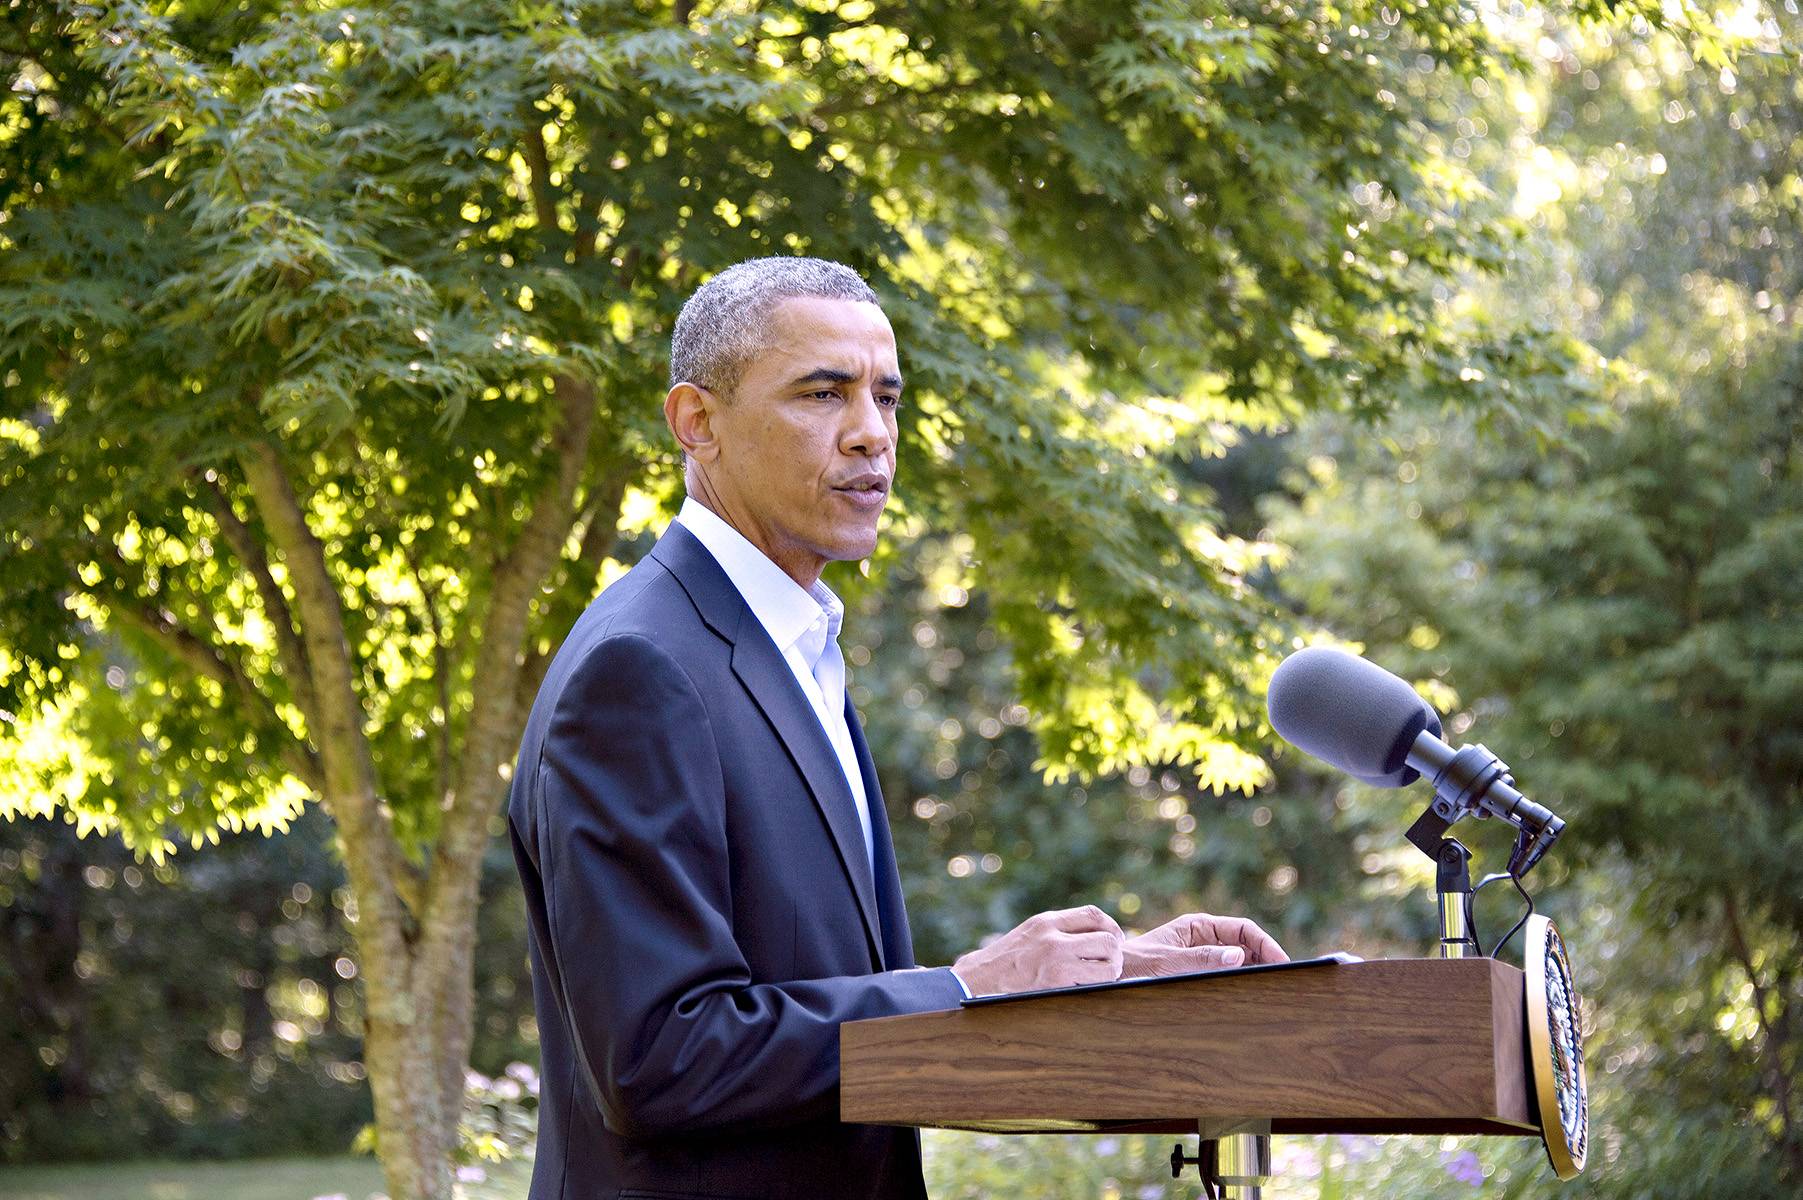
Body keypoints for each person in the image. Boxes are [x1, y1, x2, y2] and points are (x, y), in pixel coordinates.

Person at [506, 257, 1286, 1200]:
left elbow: (817, 997)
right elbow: (663, 1053)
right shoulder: (640, 668)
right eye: (822, 393)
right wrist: (966, 986)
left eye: (885, 396)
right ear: (696, 423)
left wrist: (1093, 977)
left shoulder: (791, 647)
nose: (871, 435)